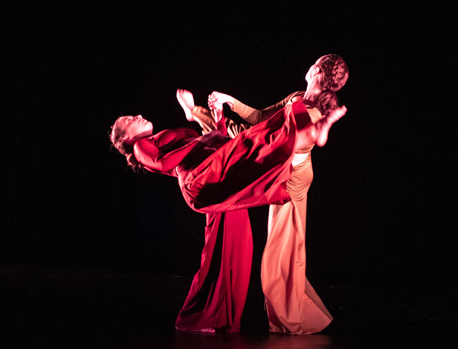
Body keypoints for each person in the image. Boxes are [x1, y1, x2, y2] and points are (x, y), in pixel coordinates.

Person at [109, 90, 346, 334]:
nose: (138, 116)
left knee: (234, 246)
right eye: (130, 120)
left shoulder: (158, 137)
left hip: (214, 176)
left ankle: (212, 319)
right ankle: (305, 138)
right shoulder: (139, 146)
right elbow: (163, 162)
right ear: (126, 138)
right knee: (250, 141)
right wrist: (201, 140)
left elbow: (218, 137)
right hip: (200, 181)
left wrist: (219, 117)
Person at [207, 54, 349, 335]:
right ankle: (291, 309)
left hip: (294, 177)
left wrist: (320, 127)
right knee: (287, 247)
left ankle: (292, 315)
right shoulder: (297, 96)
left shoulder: (316, 106)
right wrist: (231, 101)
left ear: (317, 70)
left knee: (282, 251)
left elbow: (289, 141)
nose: (309, 65)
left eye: (314, 62)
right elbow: (262, 117)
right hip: (284, 166)